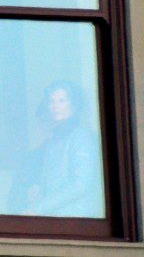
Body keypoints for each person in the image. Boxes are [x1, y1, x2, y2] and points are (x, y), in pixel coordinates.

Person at [20, 82, 104, 217]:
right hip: (56, 216)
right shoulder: (56, 138)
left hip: (77, 219)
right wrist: (40, 189)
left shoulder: (82, 137)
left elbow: (81, 184)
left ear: (74, 105)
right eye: (51, 101)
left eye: (61, 101)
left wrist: (39, 208)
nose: (55, 106)